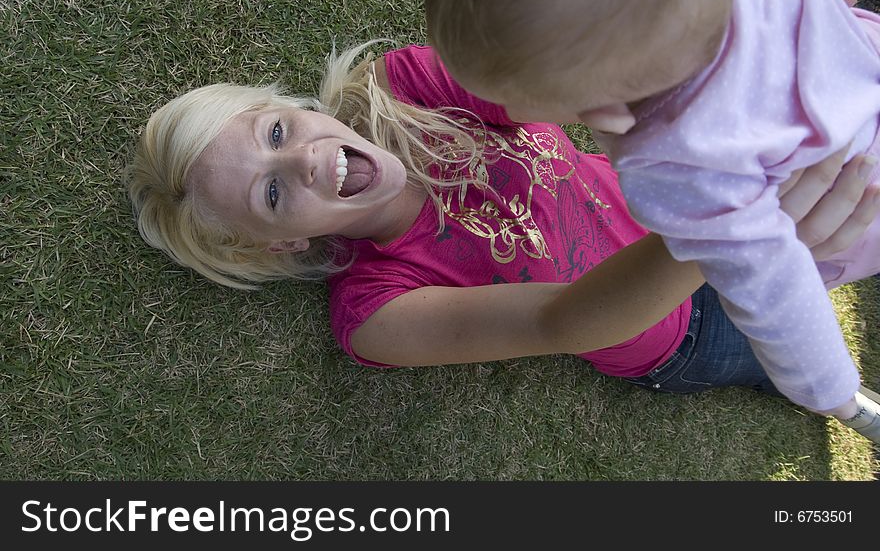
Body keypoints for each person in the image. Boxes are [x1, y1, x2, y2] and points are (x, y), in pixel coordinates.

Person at [126, 41, 880, 441]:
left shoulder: (407, 87)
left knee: (842, 223)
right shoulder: (376, 312)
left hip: (680, 201)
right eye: (272, 192)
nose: (305, 158)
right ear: (278, 245)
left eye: (277, 132)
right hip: (684, 330)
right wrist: (717, 226)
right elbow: (561, 321)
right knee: (799, 361)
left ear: (286, 108)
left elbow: (568, 83)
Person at [423, 0, 880, 432]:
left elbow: (776, 291)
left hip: (857, 202)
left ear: (605, 114)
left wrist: (831, 389)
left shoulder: (678, 165)